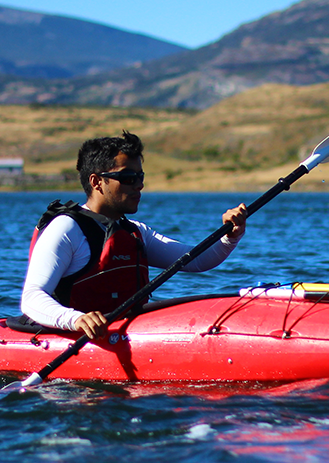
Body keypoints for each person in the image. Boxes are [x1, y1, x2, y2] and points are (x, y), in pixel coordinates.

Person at [20, 131, 247, 339]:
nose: (138, 185)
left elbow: (196, 259)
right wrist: (76, 319)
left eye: (140, 177)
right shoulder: (66, 229)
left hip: (124, 333)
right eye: (128, 177)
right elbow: (32, 298)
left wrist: (230, 235)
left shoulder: (135, 232)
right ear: (97, 181)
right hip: (71, 339)